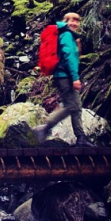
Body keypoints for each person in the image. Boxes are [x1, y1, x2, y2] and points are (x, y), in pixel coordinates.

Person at [32, 12, 95, 147]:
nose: (74, 23)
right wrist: (75, 78)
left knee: (76, 107)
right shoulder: (66, 35)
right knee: (72, 106)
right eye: (71, 20)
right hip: (65, 76)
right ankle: (44, 128)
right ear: (65, 21)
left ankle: (81, 138)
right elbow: (69, 57)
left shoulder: (69, 35)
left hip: (65, 75)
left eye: (76, 21)